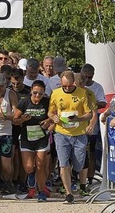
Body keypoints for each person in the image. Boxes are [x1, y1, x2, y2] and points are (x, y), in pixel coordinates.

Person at [48, 71, 92, 204]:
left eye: (69, 86)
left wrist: (79, 118)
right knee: (63, 164)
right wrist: (53, 116)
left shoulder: (82, 93)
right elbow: (50, 111)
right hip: (61, 133)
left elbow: (89, 114)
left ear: (73, 81)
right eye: (64, 86)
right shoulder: (56, 93)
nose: (67, 88)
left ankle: (74, 175)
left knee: (78, 165)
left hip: (79, 134)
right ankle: (68, 193)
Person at [14, 80, 51, 201]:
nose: (37, 96)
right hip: (26, 138)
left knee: (40, 166)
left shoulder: (47, 102)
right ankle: (31, 176)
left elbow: (54, 116)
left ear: (44, 93)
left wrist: (48, 123)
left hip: (41, 138)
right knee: (29, 167)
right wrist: (22, 120)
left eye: (40, 94)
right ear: (31, 91)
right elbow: (15, 120)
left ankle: (41, 192)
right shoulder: (24, 102)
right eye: (35, 93)